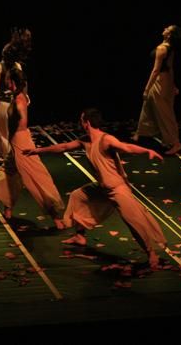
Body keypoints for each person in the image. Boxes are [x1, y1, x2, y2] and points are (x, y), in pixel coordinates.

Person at [24, 108, 167, 269]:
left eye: (81, 120)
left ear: (87, 123)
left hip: (118, 190)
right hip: (102, 189)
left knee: (134, 222)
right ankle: (80, 236)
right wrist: (38, 150)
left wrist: (147, 150)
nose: (80, 123)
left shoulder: (106, 140)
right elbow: (64, 147)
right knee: (78, 196)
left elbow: (126, 147)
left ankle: (151, 253)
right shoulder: (85, 140)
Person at [0, 67, 65, 229]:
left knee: (36, 177)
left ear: (11, 81)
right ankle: (8, 210)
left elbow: (22, 116)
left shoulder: (19, 99)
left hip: (22, 142)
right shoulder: (12, 95)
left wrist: (19, 113)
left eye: (7, 79)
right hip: (14, 142)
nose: (5, 81)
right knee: (8, 173)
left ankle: (56, 218)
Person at [133, 21, 181, 155]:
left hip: (160, 82)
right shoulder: (169, 47)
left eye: (167, 29)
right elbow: (170, 68)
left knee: (164, 113)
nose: (164, 28)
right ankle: (140, 133)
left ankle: (175, 143)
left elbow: (156, 70)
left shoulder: (162, 48)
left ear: (169, 35)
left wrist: (147, 88)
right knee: (148, 106)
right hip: (165, 81)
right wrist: (173, 85)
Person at [0, 27, 32, 161]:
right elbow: (23, 83)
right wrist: (26, 96)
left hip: (4, 105)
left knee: (1, 133)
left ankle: (9, 161)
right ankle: (5, 155)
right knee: (11, 132)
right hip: (16, 104)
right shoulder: (18, 66)